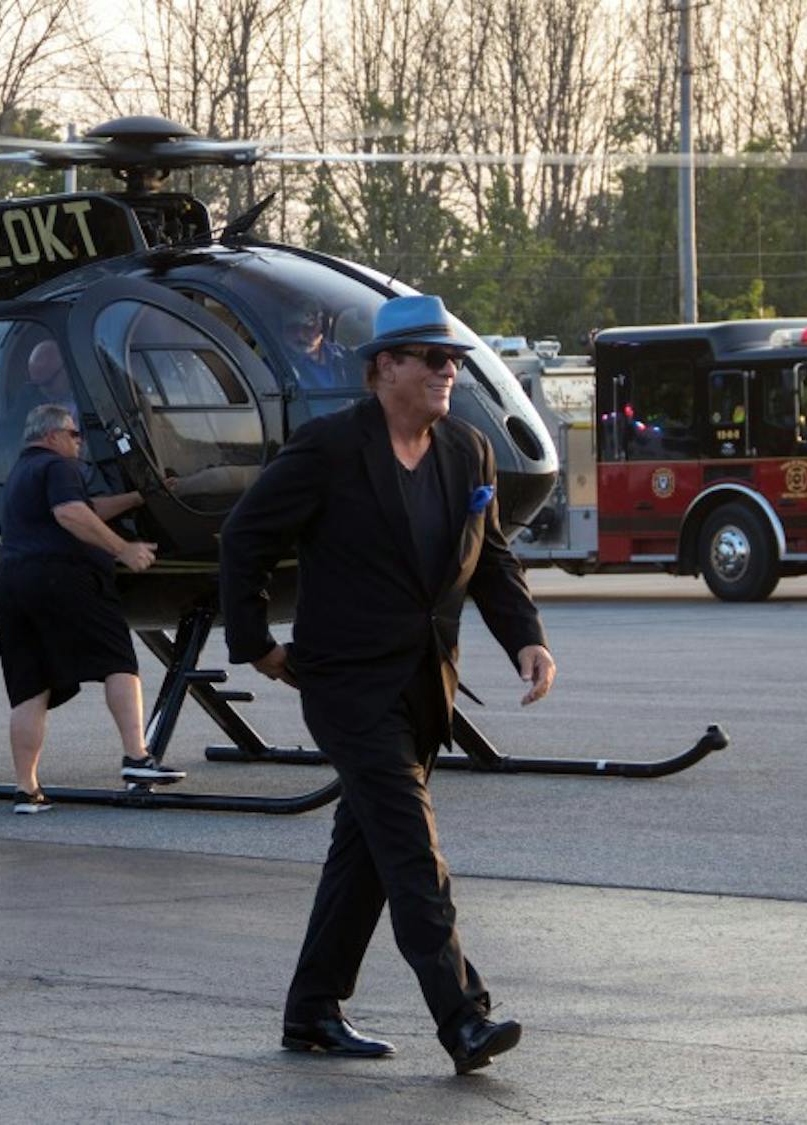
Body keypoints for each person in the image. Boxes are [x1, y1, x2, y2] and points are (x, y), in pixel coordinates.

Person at [219, 294, 557, 1075]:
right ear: (383, 369)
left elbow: (493, 557)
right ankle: (463, 1017)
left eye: (454, 359)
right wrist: (255, 644)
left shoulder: (468, 452)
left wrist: (527, 639)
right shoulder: (329, 449)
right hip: (345, 684)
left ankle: (311, 1010)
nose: (448, 370)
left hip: (424, 685)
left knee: (366, 855)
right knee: (409, 843)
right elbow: (245, 537)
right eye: (432, 358)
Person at [0, 402, 186, 813]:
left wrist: (139, 496)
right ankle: (137, 758)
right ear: (51, 436)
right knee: (119, 660)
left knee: (30, 688)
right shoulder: (59, 466)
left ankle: (26, 790)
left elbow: (87, 508)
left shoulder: (21, 472)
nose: (79, 441)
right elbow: (71, 512)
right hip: (63, 579)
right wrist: (124, 549)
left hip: (12, 586)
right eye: (73, 433)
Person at [0, 337, 77, 473]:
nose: (43, 390)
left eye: (48, 384)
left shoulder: (90, 385)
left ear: (65, 368)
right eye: (37, 384)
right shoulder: (30, 394)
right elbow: (11, 424)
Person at [282, 299, 350, 390]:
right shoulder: (275, 366)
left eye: (308, 326)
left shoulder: (346, 358)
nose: (301, 334)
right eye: (293, 328)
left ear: (323, 326)